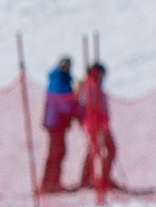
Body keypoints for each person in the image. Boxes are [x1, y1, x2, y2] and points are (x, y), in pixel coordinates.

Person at [40, 56, 79, 196]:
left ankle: (52, 182)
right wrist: (77, 106)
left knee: (58, 151)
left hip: (58, 123)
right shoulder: (58, 81)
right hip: (55, 122)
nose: (67, 68)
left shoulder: (65, 80)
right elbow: (65, 105)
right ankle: (50, 183)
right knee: (56, 152)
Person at [78, 61, 115, 193]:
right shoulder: (90, 86)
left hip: (100, 124)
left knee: (101, 150)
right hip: (95, 124)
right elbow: (86, 104)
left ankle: (101, 178)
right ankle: (89, 179)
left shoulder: (95, 85)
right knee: (99, 150)